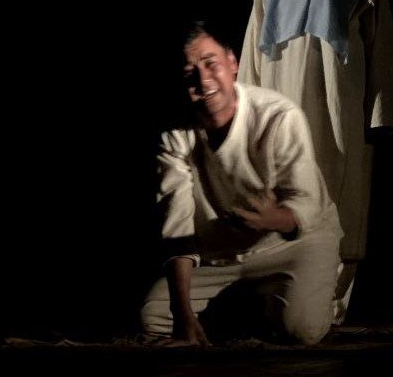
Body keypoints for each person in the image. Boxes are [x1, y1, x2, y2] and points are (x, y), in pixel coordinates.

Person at [237, 0, 393, 322]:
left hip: (337, 110)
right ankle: (281, 303)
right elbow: (253, 46)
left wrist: (382, 113)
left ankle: (330, 306)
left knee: (336, 193)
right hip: (279, 105)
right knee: (282, 193)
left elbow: (382, 49)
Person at [140, 22, 343, 346]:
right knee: (155, 316)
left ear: (232, 63)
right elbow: (177, 225)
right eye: (190, 72)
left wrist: (273, 219)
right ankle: (249, 304)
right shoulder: (175, 135)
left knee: (301, 330)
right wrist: (183, 316)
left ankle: (287, 298)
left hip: (293, 245)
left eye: (211, 64)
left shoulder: (277, 115)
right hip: (222, 255)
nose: (203, 80)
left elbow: (306, 202)